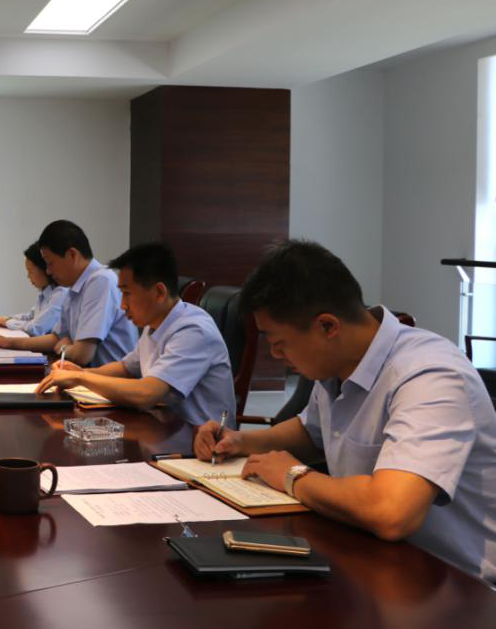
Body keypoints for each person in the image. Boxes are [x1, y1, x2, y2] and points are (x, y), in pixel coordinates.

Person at [194, 240, 496, 585]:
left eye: (279, 343)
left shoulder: (430, 376)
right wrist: (241, 441)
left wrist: (292, 475)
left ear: (327, 326)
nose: (276, 356)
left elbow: (392, 512)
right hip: (371, 557)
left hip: (457, 585)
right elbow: (312, 432)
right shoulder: (337, 365)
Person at [37, 242, 235, 427]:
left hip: (197, 441)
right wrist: (80, 372)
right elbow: (126, 368)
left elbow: (147, 393)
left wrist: (80, 379)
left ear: (159, 293)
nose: (122, 305)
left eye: (127, 293)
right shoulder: (155, 323)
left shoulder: (193, 330)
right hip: (163, 428)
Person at [0, 220, 136, 366]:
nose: (48, 271)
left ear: (72, 255)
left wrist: (62, 347)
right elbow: (55, 338)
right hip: (86, 375)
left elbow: (82, 355)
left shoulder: (101, 280)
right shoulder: (74, 287)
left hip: (109, 380)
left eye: (50, 263)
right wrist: (11, 342)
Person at [0, 243, 66, 336]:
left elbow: (36, 328)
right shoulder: (45, 293)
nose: (28, 276)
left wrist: (6, 322)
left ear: (44, 268)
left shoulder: (60, 294)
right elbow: (30, 317)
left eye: (30, 271)